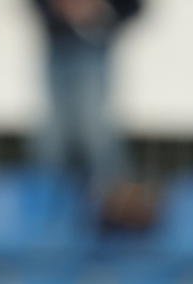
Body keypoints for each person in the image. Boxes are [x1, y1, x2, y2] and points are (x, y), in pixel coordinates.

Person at [29, 0, 141, 196]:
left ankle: (111, 200)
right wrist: (57, 8)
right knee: (53, 135)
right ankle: (54, 200)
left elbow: (133, 7)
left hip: (94, 46)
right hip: (57, 44)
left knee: (95, 131)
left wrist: (101, 11)